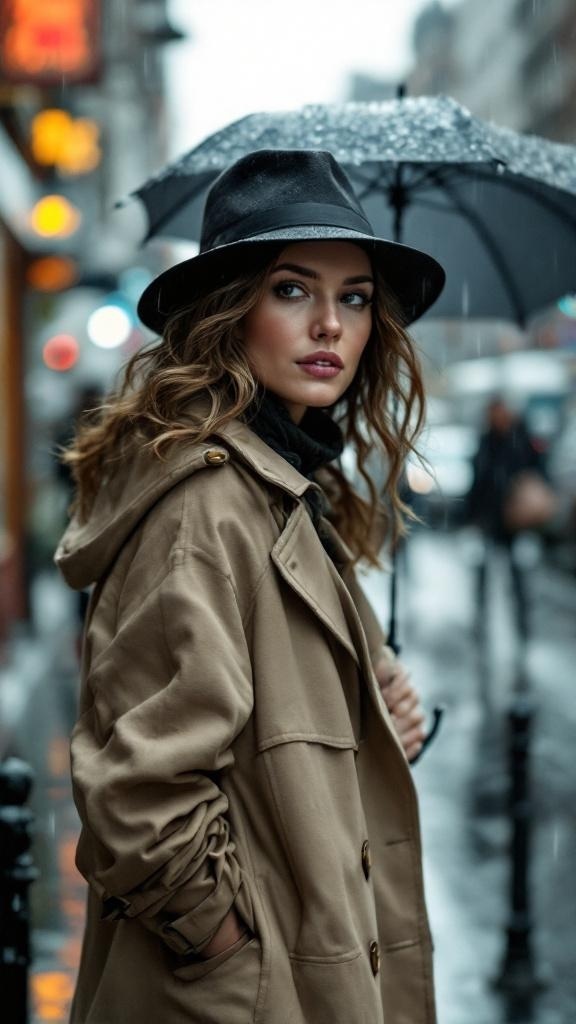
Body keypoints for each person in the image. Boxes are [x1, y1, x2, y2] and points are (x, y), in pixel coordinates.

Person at [55, 149, 445, 1024]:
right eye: (293, 289)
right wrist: (232, 950)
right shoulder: (209, 505)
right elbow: (138, 797)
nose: (330, 327)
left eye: (353, 298)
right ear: (229, 310)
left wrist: (377, 720)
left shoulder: (285, 487)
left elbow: (278, 745)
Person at [465, 396, 547, 641]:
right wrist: (470, 516)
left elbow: (539, 472)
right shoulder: (485, 441)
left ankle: (523, 625)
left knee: (518, 574)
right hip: (490, 518)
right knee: (483, 571)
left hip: (516, 521)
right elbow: (477, 480)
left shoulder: (522, 440)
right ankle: (481, 621)